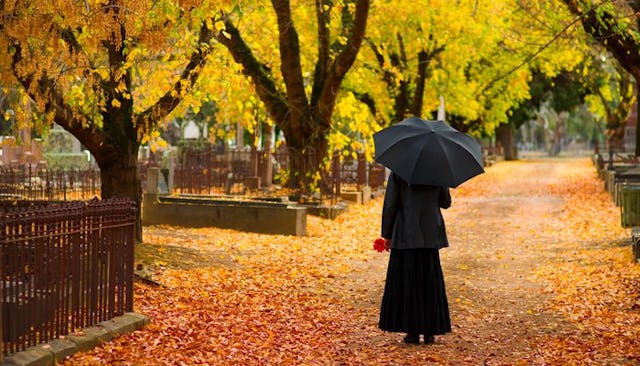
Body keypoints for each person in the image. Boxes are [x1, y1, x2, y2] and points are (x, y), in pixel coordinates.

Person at [378, 171, 452, 344]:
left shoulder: (399, 171)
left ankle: (412, 331)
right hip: (429, 233)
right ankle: (429, 331)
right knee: (428, 280)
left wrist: (387, 234)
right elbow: (445, 202)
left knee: (408, 281)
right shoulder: (438, 170)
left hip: (406, 232)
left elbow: (391, 204)